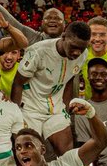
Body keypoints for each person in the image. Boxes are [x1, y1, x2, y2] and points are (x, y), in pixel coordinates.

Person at [11, 21, 92, 157]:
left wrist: (66, 108)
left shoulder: (83, 55)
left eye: (81, 48)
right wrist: (15, 113)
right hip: (30, 109)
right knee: (29, 155)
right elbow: (18, 83)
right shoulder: (38, 51)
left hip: (56, 108)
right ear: (64, 36)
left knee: (68, 155)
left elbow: (70, 79)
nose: (77, 52)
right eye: (73, 47)